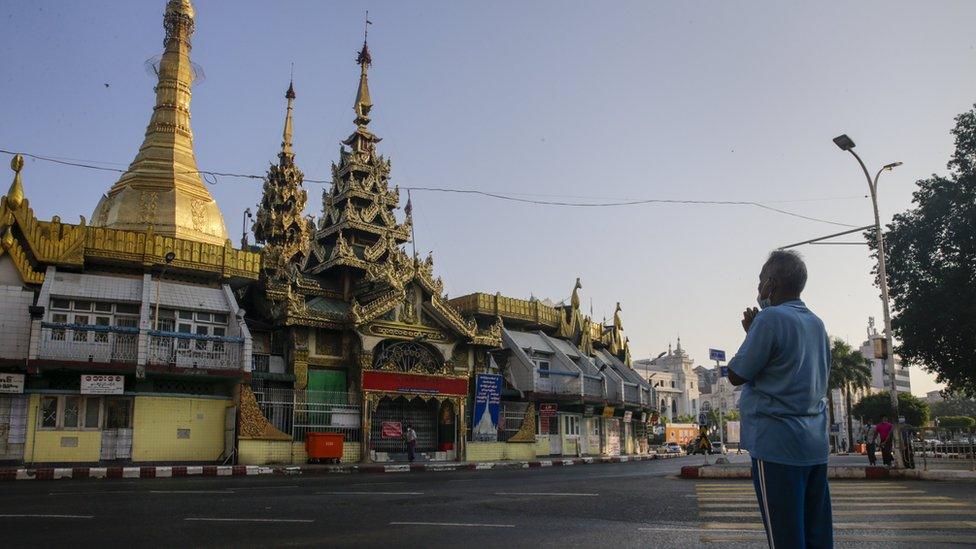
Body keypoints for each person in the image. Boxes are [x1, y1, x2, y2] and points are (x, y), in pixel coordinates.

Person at [728, 251, 832, 549]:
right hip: (815, 446)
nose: (758, 288)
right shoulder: (816, 323)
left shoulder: (770, 319)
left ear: (771, 285)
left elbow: (737, 373)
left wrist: (751, 332)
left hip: (778, 446)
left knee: (786, 538)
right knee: (817, 534)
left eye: (761, 281)